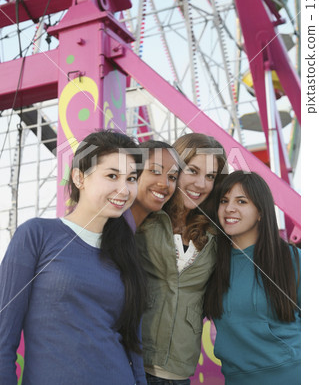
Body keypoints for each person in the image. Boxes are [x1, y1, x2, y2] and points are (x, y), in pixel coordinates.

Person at [0, 130, 147, 385]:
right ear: (80, 177)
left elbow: (133, 342)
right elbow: (3, 338)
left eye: (131, 178)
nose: (124, 189)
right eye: (112, 175)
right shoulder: (36, 235)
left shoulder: (127, 253)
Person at [134, 133, 228, 384]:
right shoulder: (144, 217)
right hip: (133, 362)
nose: (201, 184)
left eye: (210, 176)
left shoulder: (216, 235)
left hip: (179, 370)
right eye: (193, 171)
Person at [204, 170, 301, 385]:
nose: (230, 208)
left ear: (260, 211)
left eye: (241, 201)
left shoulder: (294, 259)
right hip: (235, 378)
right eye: (224, 200)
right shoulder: (211, 263)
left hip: (292, 375)